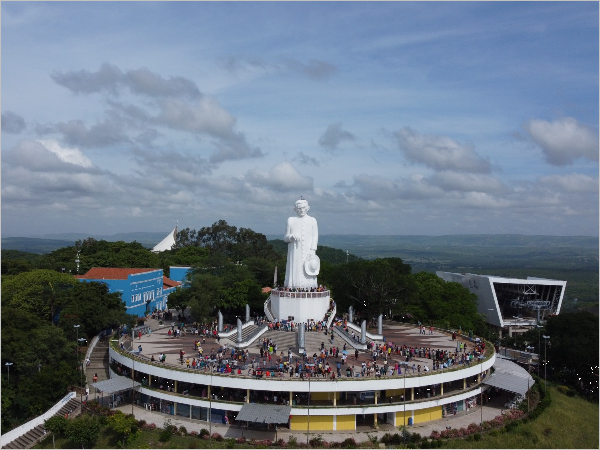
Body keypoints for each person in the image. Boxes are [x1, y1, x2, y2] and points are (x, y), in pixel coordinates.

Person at [283, 198, 319, 289]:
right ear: (295, 209)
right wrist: (291, 236)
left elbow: (315, 236)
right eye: (299, 208)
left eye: (303, 208)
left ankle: (310, 287)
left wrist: (313, 249)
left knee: (309, 269)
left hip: (308, 251)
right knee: (295, 270)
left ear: (308, 208)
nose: (301, 210)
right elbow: (285, 237)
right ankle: (293, 286)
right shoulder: (291, 220)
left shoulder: (312, 220)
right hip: (295, 251)